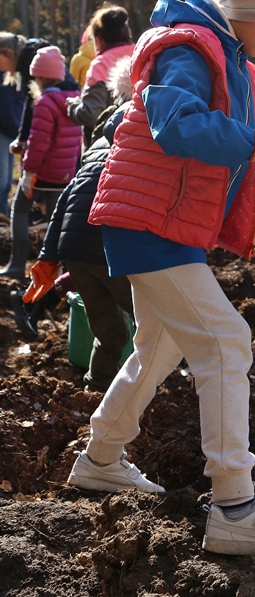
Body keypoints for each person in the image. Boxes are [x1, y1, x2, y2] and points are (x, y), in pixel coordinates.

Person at [67, 0, 255, 558]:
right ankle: (235, 506)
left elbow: (222, 169)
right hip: (149, 225)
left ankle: (100, 458)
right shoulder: (190, 48)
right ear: (243, 4)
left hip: (164, 226)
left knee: (158, 348)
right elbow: (176, 127)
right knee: (226, 341)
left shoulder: (228, 58)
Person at [12, 56, 135, 390]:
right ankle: (168, 383)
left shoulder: (94, 150)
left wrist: (49, 257)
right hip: (110, 252)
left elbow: (64, 203)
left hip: (76, 256)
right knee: (158, 324)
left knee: (111, 334)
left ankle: (94, 391)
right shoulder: (135, 149)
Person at [1, 46, 82, 282]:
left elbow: (38, 144)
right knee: (57, 224)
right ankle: (56, 272)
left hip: (43, 174)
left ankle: (16, 265)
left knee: (19, 210)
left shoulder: (45, 102)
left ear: (42, 76)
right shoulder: (74, 99)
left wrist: (27, 172)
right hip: (64, 175)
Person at [0, 32, 80, 156]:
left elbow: (32, 101)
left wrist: (22, 138)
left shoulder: (31, 61)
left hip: (61, 114)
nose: (1, 68)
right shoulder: (28, 56)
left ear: (8, 53)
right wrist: (22, 137)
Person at [66, 5, 135, 145]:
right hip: (137, 142)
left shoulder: (100, 65)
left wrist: (73, 106)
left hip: (105, 147)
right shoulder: (139, 54)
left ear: (98, 40)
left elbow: (92, 114)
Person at [0, 74, 25, 217]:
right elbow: (6, 108)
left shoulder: (18, 75)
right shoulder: (5, 78)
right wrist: (17, 128)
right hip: (5, 131)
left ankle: (3, 213)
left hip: (12, 130)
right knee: (3, 179)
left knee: (8, 181)